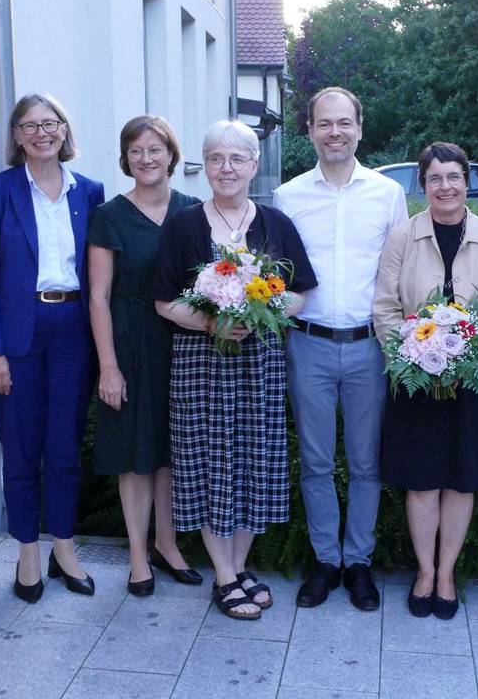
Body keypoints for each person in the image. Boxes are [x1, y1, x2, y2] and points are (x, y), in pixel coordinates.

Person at [152, 119, 316, 620]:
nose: (226, 168)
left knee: (254, 463)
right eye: (216, 159)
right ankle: (224, 577)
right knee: (208, 462)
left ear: (253, 165)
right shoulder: (182, 225)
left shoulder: (276, 224)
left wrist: (257, 312)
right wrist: (213, 322)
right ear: (206, 166)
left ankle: (239, 567)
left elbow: (301, 293)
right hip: (200, 363)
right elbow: (163, 302)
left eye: (237, 159)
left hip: (259, 363)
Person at [273, 87, 407, 611]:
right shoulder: (288, 197)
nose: (335, 132)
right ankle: (326, 560)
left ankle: (359, 563)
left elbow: (401, 272)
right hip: (308, 345)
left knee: (366, 462)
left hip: (369, 346)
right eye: (324, 123)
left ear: (359, 128)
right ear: (309, 131)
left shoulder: (386, 194)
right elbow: (277, 274)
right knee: (315, 461)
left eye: (344, 122)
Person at [0, 93, 104, 603]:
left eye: (50, 123)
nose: (41, 133)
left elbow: (100, 272)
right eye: (30, 125)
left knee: (65, 449)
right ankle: (27, 551)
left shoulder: (89, 191)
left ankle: (63, 548)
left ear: (64, 130)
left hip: (73, 330)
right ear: (17, 136)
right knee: (21, 450)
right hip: (15, 335)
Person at [373, 142, 478, 619]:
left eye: (454, 176)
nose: (445, 186)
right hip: (414, 379)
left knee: (460, 481)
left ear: (466, 181)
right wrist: (410, 359)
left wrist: (472, 360)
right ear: (424, 184)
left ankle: (447, 573)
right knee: (421, 482)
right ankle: (424, 571)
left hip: (471, 381)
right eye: (435, 178)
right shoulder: (403, 237)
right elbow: (386, 307)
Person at [87, 116, 203, 596]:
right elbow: (98, 297)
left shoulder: (193, 210)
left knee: (172, 452)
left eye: (155, 149)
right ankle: (138, 555)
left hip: (183, 344)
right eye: (136, 151)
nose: (146, 158)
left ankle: (168, 545)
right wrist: (108, 367)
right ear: (125, 158)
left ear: (171, 155)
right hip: (131, 343)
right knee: (135, 456)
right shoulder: (110, 216)